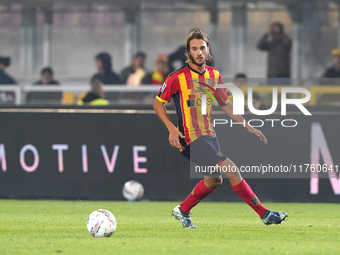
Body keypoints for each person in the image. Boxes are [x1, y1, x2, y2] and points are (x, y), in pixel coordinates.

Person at [153, 29, 288, 229]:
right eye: (194, 49)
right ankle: (265, 214)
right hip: (190, 138)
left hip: (209, 136)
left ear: (208, 51)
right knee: (231, 169)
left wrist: (247, 125)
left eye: (202, 48)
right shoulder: (177, 77)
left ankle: (182, 210)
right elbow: (158, 103)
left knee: (214, 180)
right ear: (188, 52)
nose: (199, 52)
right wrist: (172, 129)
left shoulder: (214, 75)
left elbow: (225, 104)